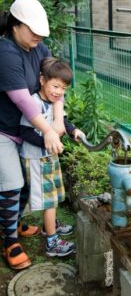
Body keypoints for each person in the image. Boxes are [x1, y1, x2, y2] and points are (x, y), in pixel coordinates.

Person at [0, 0, 65, 270]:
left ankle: (14, 222)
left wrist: (59, 120)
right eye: (33, 30)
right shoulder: (5, 51)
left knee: (26, 183)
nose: (38, 36)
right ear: (16, 26)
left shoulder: (40, 48)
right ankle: (9, 241)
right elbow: (22, 100)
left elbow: (55, 82)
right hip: (4, 129)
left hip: (28, 130)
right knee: (12, 184)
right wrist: (48, 129)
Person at [20, 57, 84, 257]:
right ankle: (52, 242)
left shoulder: (53, 103)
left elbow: (63, 121)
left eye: (63, 88)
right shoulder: (34, 102)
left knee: (54, 196)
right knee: (49, 201)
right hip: (37, 159)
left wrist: (73, 131)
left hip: (48, 157)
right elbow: (24, 131)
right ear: (42, 80)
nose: (59, 92)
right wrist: (48, 142)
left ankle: (52, 224)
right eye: (55, 86)